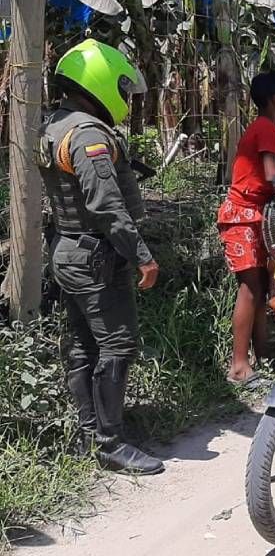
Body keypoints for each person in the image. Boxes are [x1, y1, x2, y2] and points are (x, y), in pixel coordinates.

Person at [38, 39, 163, 475]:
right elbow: (106, 205)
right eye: (121, 88)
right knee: (117, 345)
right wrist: (143, 255)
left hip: (68, 250)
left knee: (83, 345)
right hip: (95, 255)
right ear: (100, 82)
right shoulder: (89, 134)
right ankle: (110, 443)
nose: (124, 99)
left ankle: (88, 433)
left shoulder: (56, 123)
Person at [217, 71, 275, 385]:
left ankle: (264, 355)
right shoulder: (267, 128)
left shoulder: (263, 126)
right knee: (250, 290)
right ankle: (239, 366)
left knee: (259, 289)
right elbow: (273, 176)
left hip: (250, 214)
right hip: (242, 216)